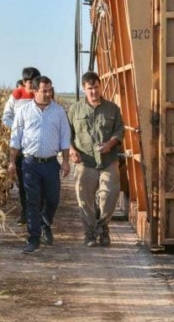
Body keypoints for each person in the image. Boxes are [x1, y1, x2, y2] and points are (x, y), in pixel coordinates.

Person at [8, 75, 71, 254]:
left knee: (53, 198)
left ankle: (45, 222)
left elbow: (65, 138)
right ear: (34, 91)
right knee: (32, 200)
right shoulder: (23, 111)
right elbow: (15, 139)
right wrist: (12, 161)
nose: (47, 93)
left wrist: (65, 162)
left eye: (49, 90)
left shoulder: (58, 112)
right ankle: (33, 238)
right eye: (44, 91)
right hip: (30, 163)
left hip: (51, 163)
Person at [68, 71, 125, 247]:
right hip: (85, 160)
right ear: (84, 89)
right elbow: (67, 134)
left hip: (108, 159)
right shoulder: (75, 110)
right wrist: (71, 150)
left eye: (96, 87)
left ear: (101, 87)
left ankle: (103, 227)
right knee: (83, 198)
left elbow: (120, 130)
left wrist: (111, 143)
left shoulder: (112, 109)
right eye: (90, 88)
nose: (94, 91)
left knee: (110, 194)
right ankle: (90, 234)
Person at [1, 67, 41, 225]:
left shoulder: (42, 96)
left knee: (38, 183)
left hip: (37, 146)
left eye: (35, 82)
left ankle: (37, 213)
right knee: (24, 183)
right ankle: (26, 213)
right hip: (20, 147)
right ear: (24, 82)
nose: (32, 85)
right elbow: (6, 117)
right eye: (29, 82)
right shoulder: (16, 95)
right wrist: (17, 128)